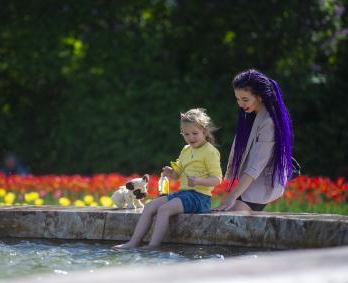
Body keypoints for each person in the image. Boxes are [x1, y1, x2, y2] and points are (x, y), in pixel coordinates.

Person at [114, 108, 222, 249]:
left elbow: (217, 179)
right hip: (184, 195)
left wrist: (198, 181)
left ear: (205, 131)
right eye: (186, 134)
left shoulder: (210, 152)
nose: (190, 138)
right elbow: (177, 175)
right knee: (149, 206)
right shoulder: (186, 150)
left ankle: (153, 245)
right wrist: (171, 173)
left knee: (164, 210)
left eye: (195, 133)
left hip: (200, 198)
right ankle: (133, 243)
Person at [214, 69, 293, 212]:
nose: (240, 104)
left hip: (261, 185)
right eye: (238, 99)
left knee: (230, 220)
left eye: (245, 99)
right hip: (249, 185)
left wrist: (232, 196)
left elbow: (255, 166)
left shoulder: (269, 122)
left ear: (259, 97)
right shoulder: (251, 114)